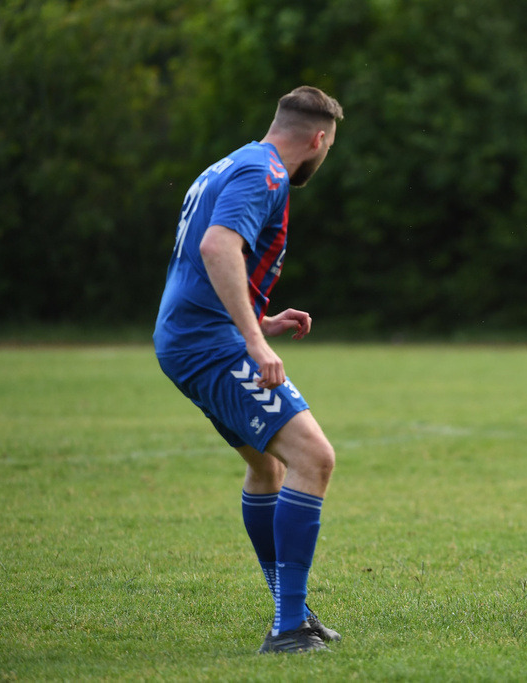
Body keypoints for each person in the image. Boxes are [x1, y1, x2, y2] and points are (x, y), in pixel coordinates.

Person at [153, 86, 344, 653]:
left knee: (268, 468)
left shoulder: (231, 162)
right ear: (318, 139)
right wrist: (254, 341)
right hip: (209, 344)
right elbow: (217, 248)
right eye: (329, 147)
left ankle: (295, 613)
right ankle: (288, 628)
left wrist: (260, 317)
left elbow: (201, 259)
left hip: (192, 336)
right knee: (314, 458)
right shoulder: (267, 175)